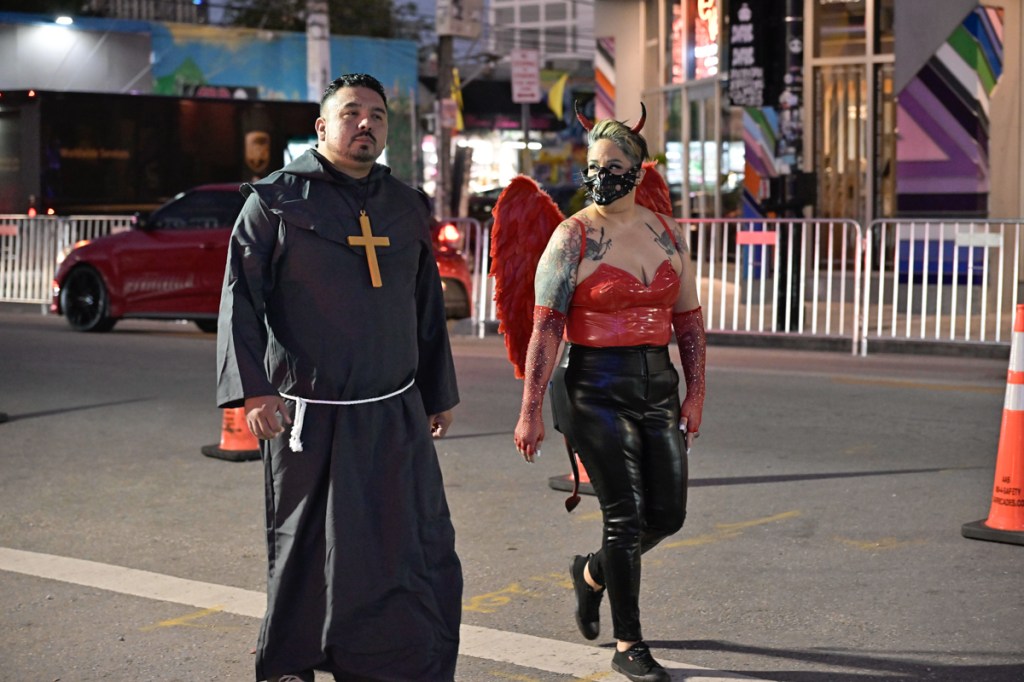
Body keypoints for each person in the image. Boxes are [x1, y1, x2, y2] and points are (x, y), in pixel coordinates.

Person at [216, 73, 462, 682]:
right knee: (305, 549)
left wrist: (437, 391)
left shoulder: (404, 206)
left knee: (405, 542)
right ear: (322, 127)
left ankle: (396, 662)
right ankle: (295, 661)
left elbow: (424, 304)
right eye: (352, 113)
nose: (366, 124)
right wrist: (254, 389)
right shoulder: (274, 200)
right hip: (307, 413)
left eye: (378, 115)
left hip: (393, 407)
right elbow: (239, 300)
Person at [512, 105, 706, 682]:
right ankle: (630, 644)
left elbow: (689, 321)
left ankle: (592, 574)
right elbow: (546, 326)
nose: (601, 173)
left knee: (667, 515)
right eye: (594, 163)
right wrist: (530, 411)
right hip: (594, 385)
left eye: (615, 164)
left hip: (658, 383)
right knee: (624, 517)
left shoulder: (667, 232)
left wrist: (696, 393)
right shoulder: (571, 236)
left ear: (638, 169)